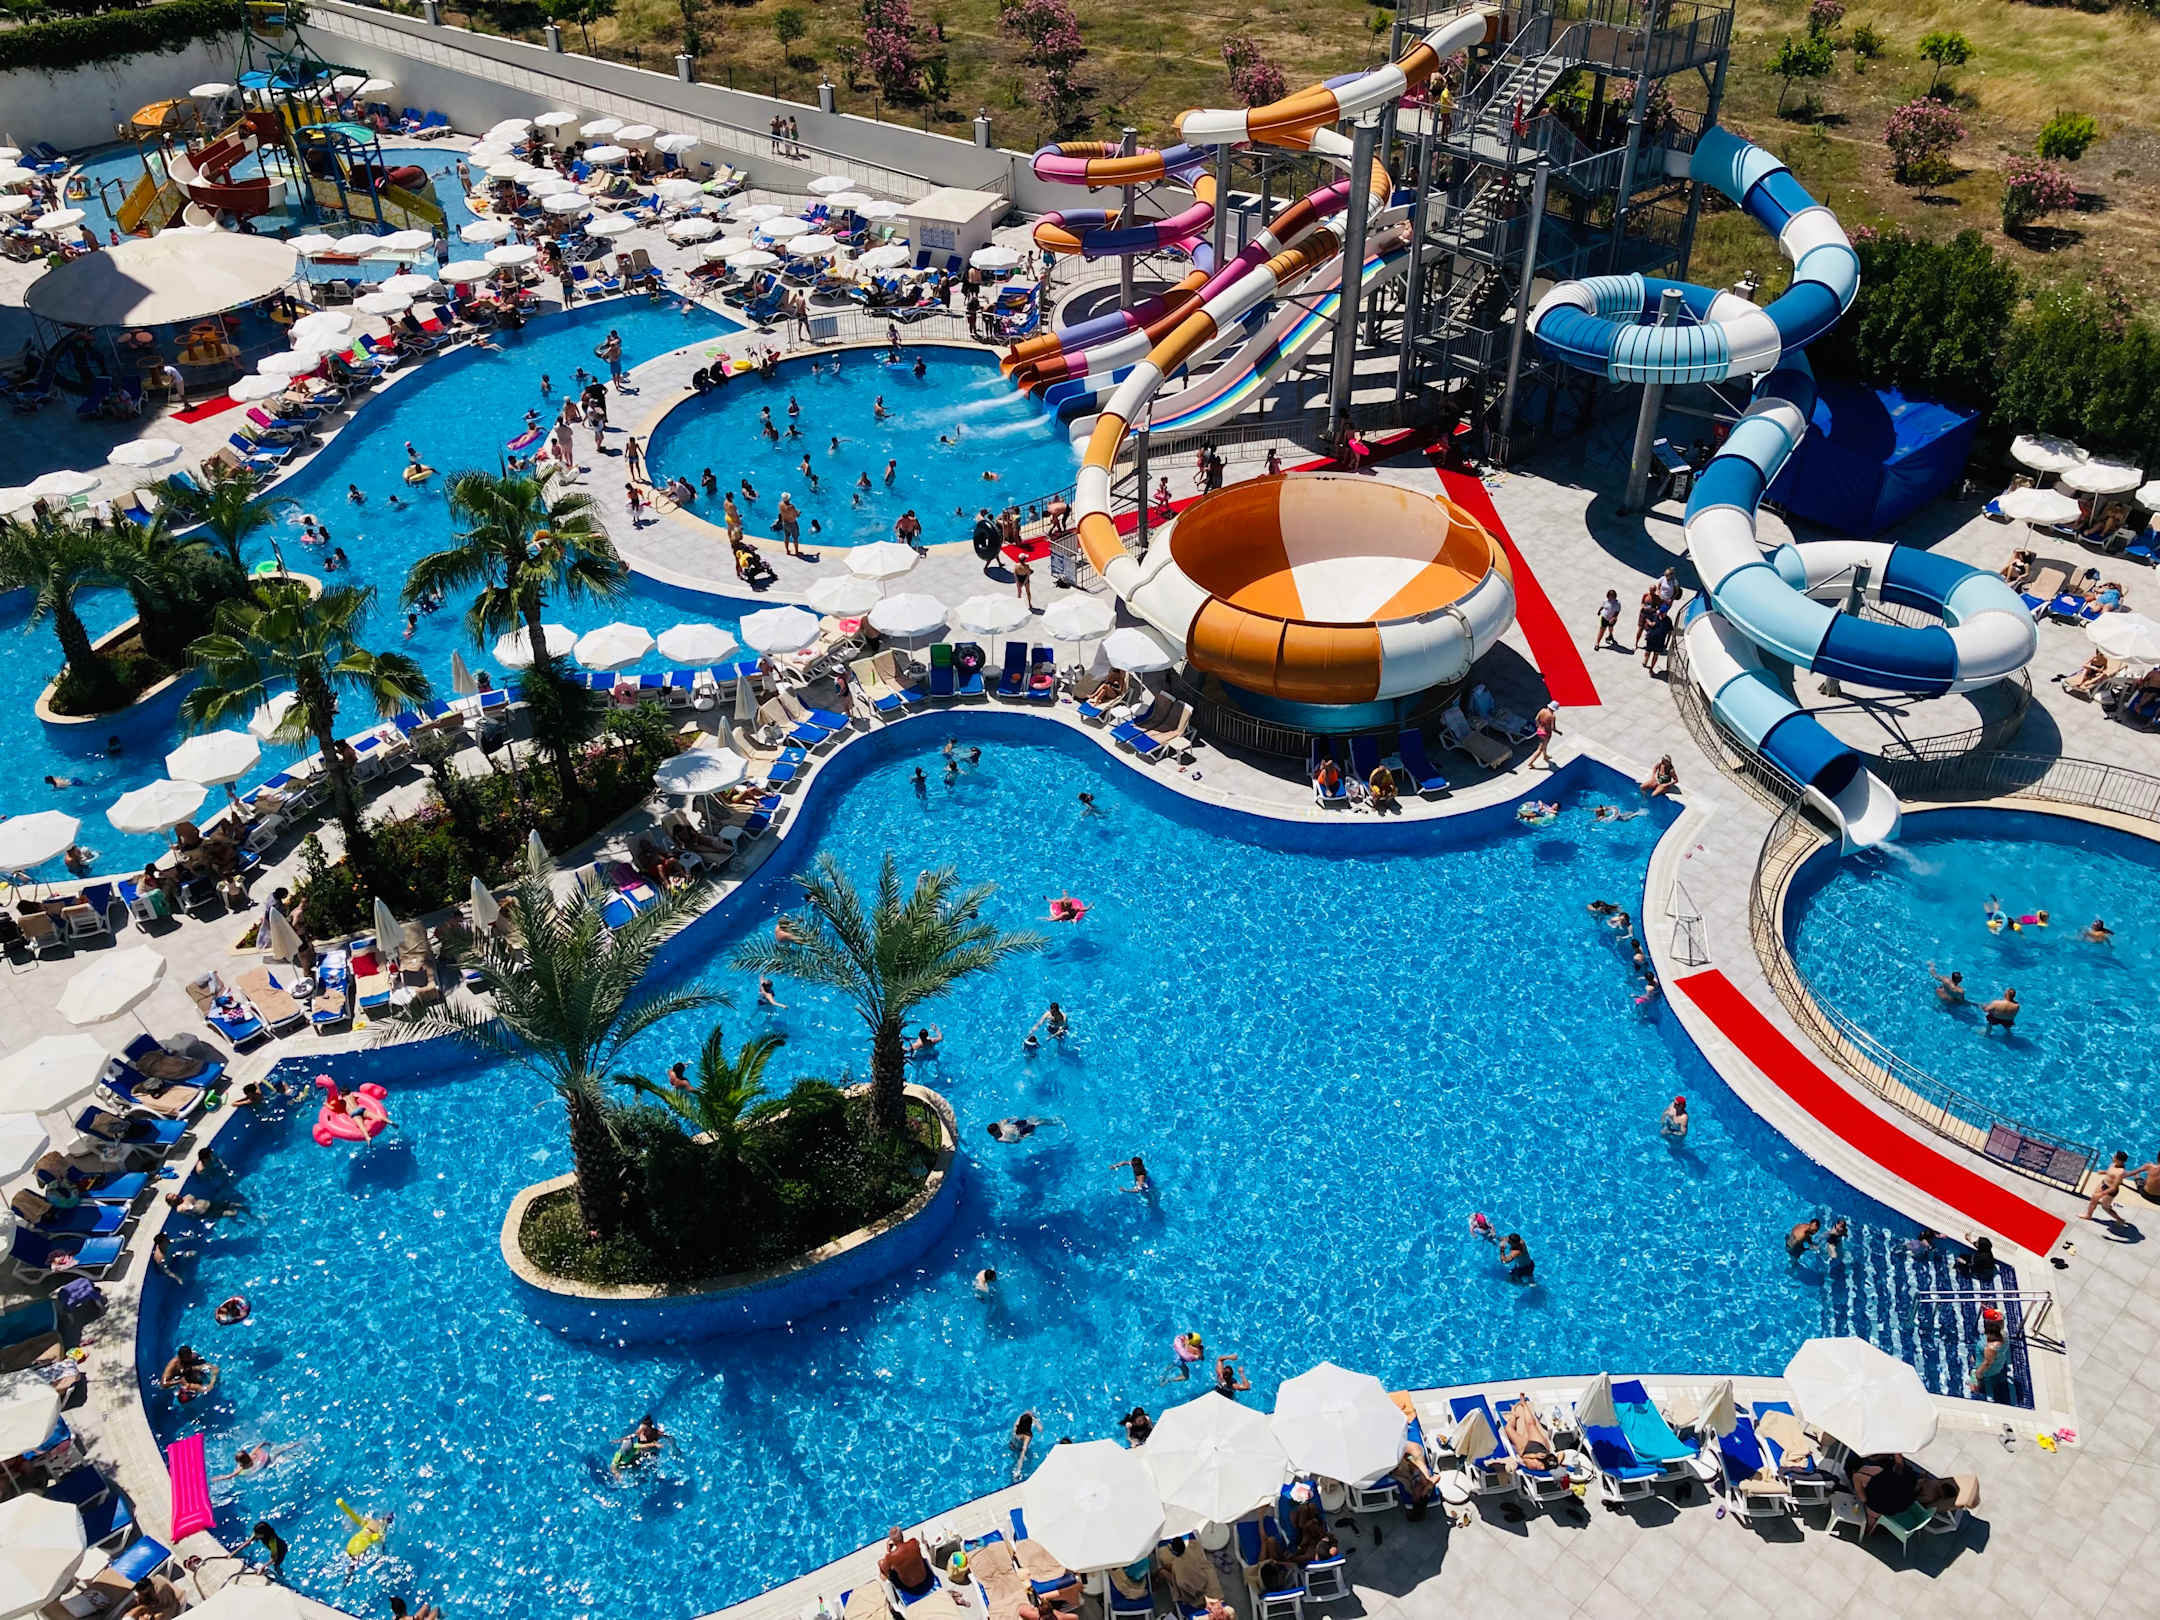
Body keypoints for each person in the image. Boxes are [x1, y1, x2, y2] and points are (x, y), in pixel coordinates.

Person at [879, 1527, 935, 1597]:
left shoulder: (890, 1556)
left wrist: (889, 1551)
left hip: (910, 1587)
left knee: (881, 1564)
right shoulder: (914, 1542)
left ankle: (890, 1591)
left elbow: (886, 1569)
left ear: (892, 1541)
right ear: (902, 1535)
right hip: (925, 1579)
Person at [1970, 1309, 2010, 1399]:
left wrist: (1976, 1376)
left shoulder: (1991, 1347)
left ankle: (1977, 1389)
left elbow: (1987, 1363)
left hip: (1987, 1369)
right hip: (1997, 1362)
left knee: (1973, 1381)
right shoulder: (2003, 1334)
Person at [2085, 1151, 2131, 1221]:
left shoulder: (2121, 1172)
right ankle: (2088, 1215)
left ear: (2119, 1160)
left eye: (2114, 1156)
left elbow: (2114, 1187)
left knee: (2105, 1207)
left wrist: (2101, 1194)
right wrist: (2103, 1172)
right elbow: (2111, 1172)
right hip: (2103, 1184)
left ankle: (2120, 1219)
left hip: (2110, 1191)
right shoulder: (2113, 1164)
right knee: (2093, 1200)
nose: (2113, 1157)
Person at [985, 1117, 1060, 1143]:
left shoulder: (999, 1125)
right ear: (993, 1134)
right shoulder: (1001, 1139)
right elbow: (1016, 1141)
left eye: (998, 1129)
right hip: (1021, 1131)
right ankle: (1055, 1122)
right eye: (997, 1132)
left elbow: (1005, 1120)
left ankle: (1052, 1120)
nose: (999, 1131)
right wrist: (1027, 1136)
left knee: (1034, 1118)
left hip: (1016, 1124)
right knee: (1038, 1123)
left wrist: (1012, 1118)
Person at [1528, 703, 1558, 769]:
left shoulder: (1542, 710)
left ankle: (1545, 756)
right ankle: (1531, 763)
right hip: (1546, 734)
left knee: (1544, 745)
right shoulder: (1552, 716)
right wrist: (1559, 732)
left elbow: (1536, 719)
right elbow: (1553, 728)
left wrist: (1539, 727)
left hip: (1539, 731)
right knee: (1540, 749)